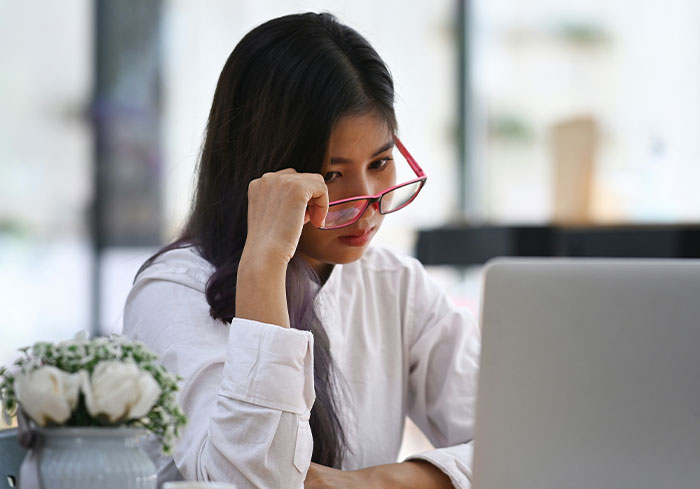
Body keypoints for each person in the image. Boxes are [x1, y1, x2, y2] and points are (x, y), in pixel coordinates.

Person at [123, 12, 480, 489]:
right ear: (266, 172)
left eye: (380, 162)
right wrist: (265, 263)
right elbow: (252, 481)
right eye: (332, 175)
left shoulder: (394, 283)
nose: (367, 205)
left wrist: (369, 483)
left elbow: (518, 445)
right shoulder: (172, 292)